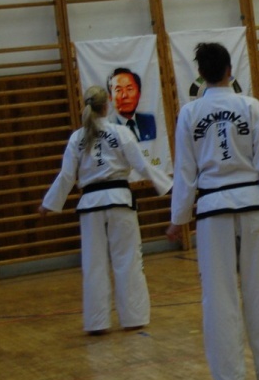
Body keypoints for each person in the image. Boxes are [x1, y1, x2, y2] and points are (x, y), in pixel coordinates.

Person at [166, 42, 259, 380]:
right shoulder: (249, 106)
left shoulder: (190, 113)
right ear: (229, 71)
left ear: (200, 74)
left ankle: (229, 378)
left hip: (213, 212)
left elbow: (185, 171)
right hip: (255, 206)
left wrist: (178, 219)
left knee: (218, 297)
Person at [38, 85, 172, 335]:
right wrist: (167, 185)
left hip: (91, 206)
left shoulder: (77, 138)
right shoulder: (120, 132)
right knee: (128, 260)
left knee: (94, 264)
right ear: (107, 105)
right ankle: (134, 318)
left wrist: (48, 203)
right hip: (119, 202)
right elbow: (141, 165)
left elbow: (67, 176)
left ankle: (97, 322)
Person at [108, 67, 157, 142]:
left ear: (139, 94)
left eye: (129, 89)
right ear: (110, 97)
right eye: (118, 90)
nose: (124, 95)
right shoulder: (108, 127)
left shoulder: (150, 120)